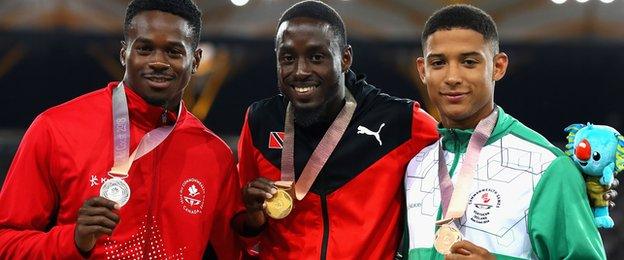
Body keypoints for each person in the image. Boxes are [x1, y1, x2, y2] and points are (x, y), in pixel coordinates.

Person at [0, 0, 243, 259]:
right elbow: (6, 241)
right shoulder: (56, 128)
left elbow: (237, 251)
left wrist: (257, 221)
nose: (158, 62)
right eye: (145, 49)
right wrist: (73, 240)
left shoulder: (215, 155)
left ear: (195, 61)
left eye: (173, 51)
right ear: (123, 53)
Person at [235, 1, 439, 259]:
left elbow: (465, 155)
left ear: (345, 58)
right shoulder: (260, 120)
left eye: (316, 57)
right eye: (288, 58)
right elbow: (240, 224)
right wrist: (252, 219)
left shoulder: (400, 121)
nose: (300, 71)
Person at [402, 4, 606, 259]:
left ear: (498, 66)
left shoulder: (547, 167)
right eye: (439, 62)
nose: (452, 76)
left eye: (469, 62)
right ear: (423, 70)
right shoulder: (415, 166)